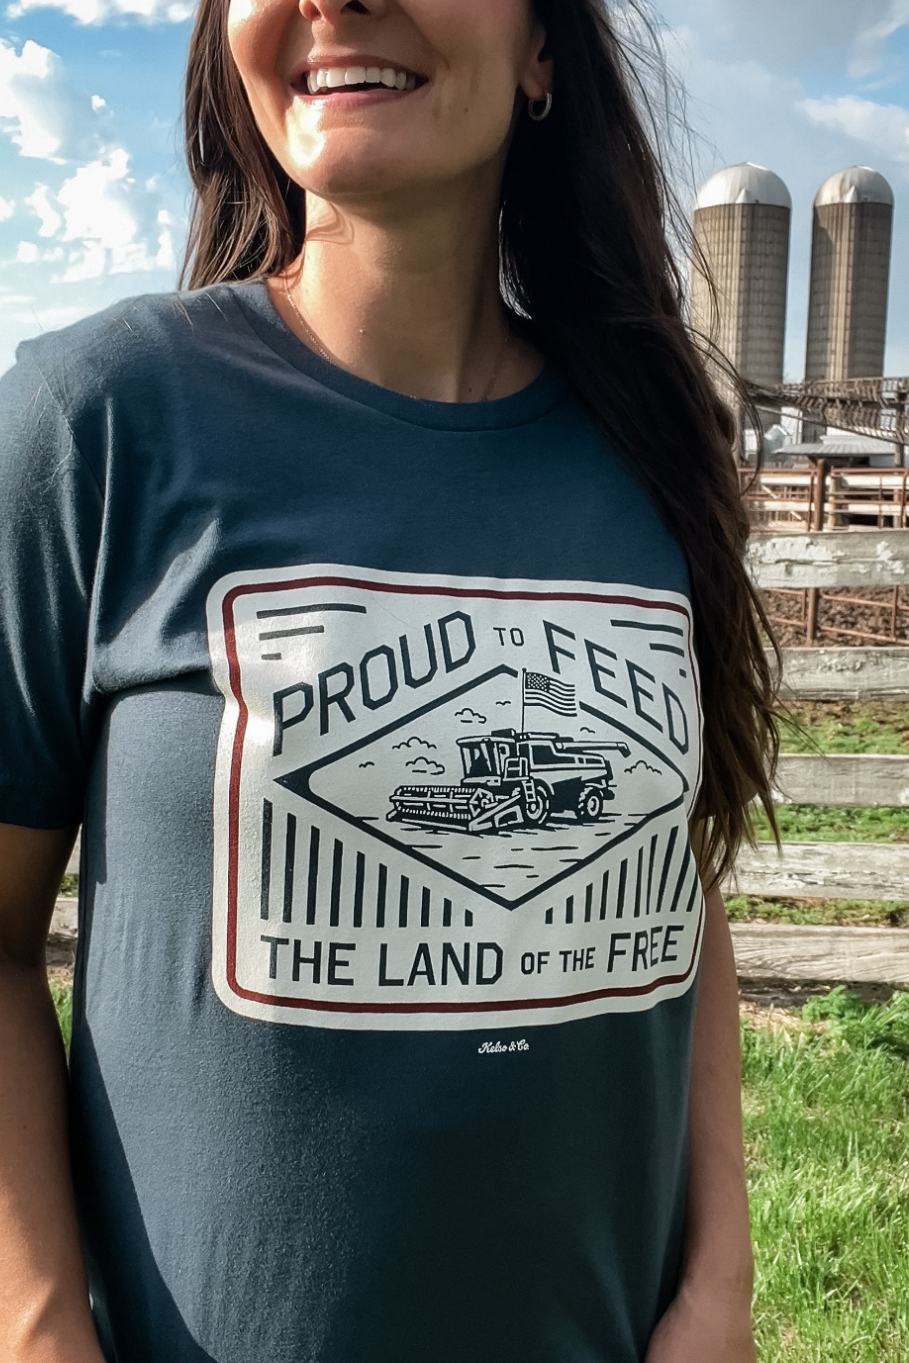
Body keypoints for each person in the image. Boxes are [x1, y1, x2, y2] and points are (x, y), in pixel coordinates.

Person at [0, 0, 779, 1359]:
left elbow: (667, 879)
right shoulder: (97, 422)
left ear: (543, 53)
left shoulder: (650, 444)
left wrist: (720, 1284)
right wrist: (39, 1322)